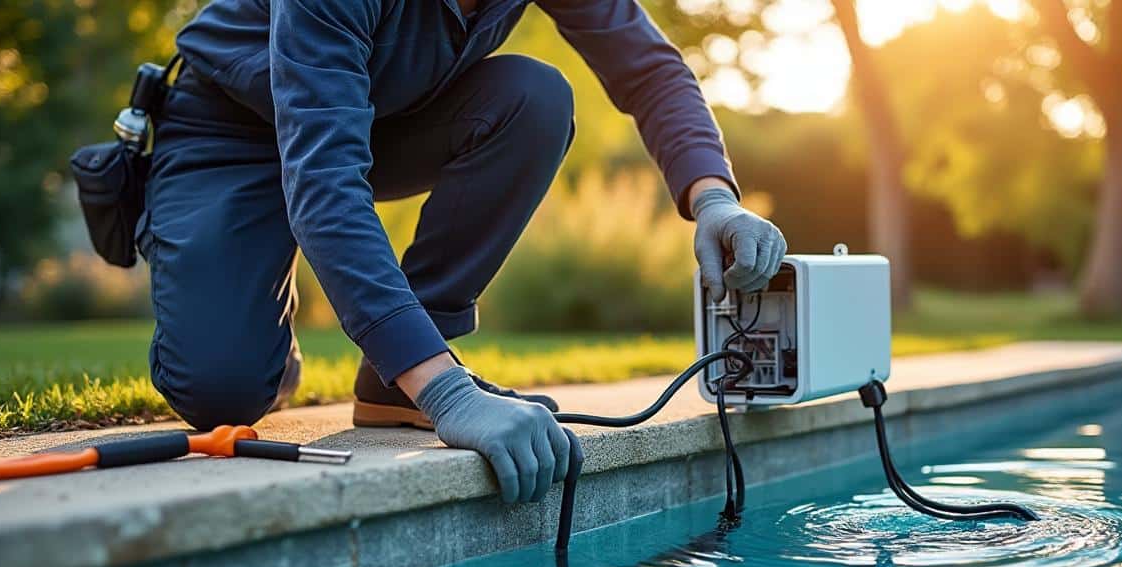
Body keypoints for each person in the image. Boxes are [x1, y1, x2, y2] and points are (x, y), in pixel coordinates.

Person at [146, 0, 787, 506]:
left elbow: (647, 68)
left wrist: (713, 199)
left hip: (377, 114)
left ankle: (399, 383)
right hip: (229, 133)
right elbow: (324, 181)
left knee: (533, 98)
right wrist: (454, 398)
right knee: (222, 389)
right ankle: (303, 346)